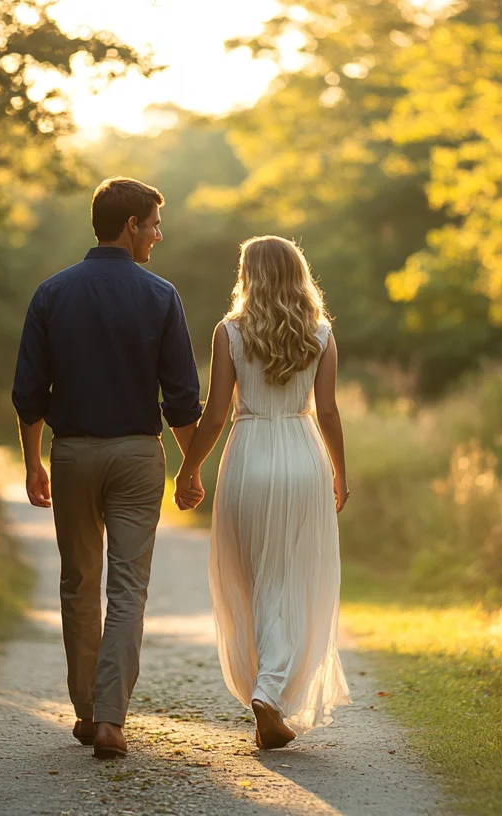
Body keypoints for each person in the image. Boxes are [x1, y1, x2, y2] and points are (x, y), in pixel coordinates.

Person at [11, 176, 205, 760]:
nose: (158, 235)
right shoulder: (160, 295)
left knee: (78, 583)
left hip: (71, 453)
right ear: (130, 227)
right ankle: (112, 720)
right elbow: (181, 399)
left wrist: (32, 464)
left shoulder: (51, 293)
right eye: (152, 224)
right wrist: (190, 469)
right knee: (127, 587)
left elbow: (28, 393)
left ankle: (87, 712)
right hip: (136, 457)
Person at [174, 235, 352, 750]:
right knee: (293, 580)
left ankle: (266, 691)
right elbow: (330, 413)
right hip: (303, 455)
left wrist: (188, 470)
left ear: (248, 274)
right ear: (298, 273)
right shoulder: (319, 332)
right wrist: (341, 472)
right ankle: (270, 693)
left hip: (248, 454)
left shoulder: (229, 331)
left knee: (251, 577)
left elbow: (214, 413)